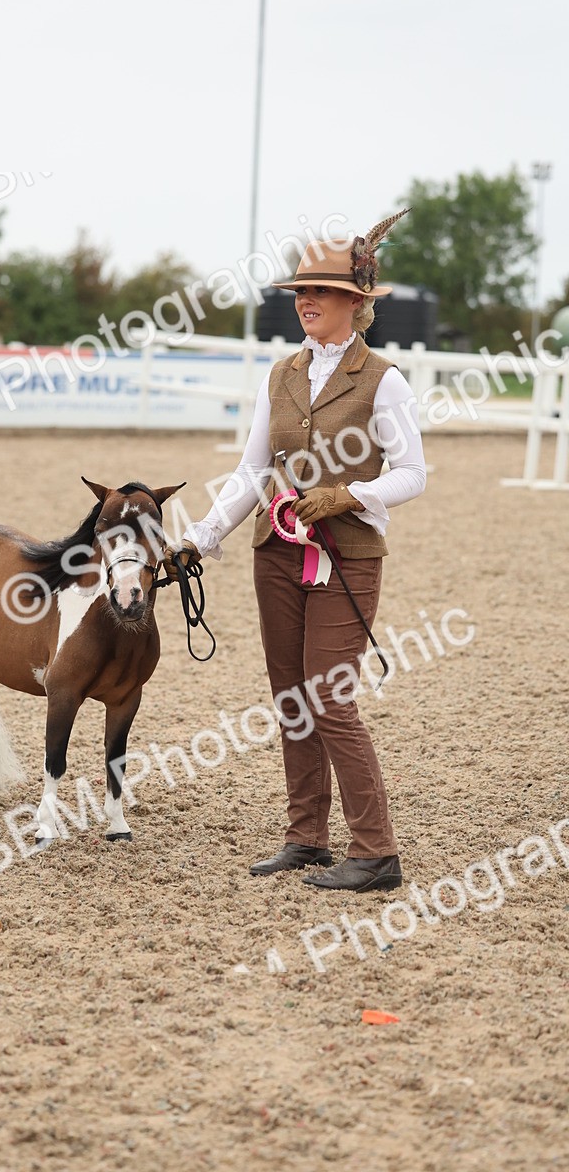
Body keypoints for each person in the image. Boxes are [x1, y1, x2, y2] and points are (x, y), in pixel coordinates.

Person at [165, 212, 426, 892]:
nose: (306, 302)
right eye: (299, 293)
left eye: (321, 292)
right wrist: (200, 536)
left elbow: (414, 473)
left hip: (348, 556)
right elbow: (252, 473)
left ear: (355, 303)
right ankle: (307, 836)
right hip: (276, 554)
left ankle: (376, 851)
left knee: (331, 696)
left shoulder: (383, 380)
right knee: (293, 699)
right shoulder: (280, 375)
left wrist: (350, 495)